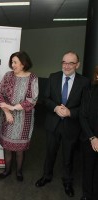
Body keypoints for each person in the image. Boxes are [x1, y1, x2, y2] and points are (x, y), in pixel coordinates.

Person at [35, 51, 90, 197]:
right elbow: (45, 99)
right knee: (50, 152)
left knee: (68, 156)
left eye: (70, 63)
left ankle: (67, 182)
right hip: (53, 123)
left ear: (77, 65)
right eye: (64, 62)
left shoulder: (84, 82)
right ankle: (46, 176)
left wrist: (70, 113)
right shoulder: (53, 77)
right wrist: (55, 107)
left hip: (71, 126)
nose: (66, 66)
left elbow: (85, 108)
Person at [0, 51, 38, 182]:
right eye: (12, 62)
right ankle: (7, 170)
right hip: (7, 117)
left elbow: (32, 99)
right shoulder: (8, 76)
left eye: (15, 62)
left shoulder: (32, 78)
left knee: (20, 149)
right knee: (7, 147)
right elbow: (0, 94)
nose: (12, 65)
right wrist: (8, 112)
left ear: (23, 63)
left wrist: (14, 108)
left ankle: (19, 172)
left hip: (24, 118)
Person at [79, 66, 98, 200]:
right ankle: (87, 195)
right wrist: (92, 137)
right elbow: (82, 116)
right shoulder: (89, 90)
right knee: (88, 167)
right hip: (89, 137)